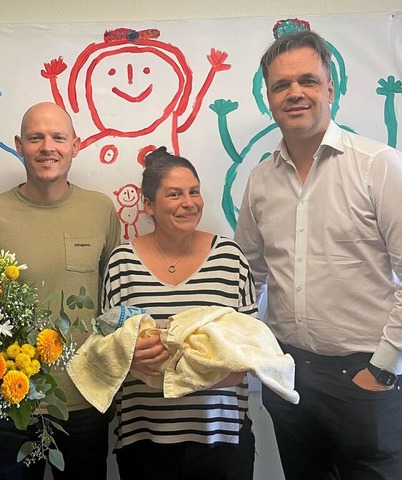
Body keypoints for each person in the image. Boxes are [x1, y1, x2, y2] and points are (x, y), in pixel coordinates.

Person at [234, 30, 402, 480]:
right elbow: (248, 275)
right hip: (289, 376)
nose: (295, 93)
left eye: (307, 80)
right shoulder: (260, 182)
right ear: (268, 98)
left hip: (368, 379)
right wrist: (253, 352)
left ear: (331, 88)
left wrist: (382, 370)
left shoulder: (382, 167)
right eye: (280, 85)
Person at [0, 101, 121, 479]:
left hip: (84, 398)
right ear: (19, 144)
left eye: (58, 137)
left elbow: (116, 301)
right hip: (8, 403)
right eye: (36, 138)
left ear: (76, 145)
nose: (48, 147)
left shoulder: (100, 210)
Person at [102, 146, 257, 480]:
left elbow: (252, 353)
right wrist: (129, 357)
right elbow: (107, 350)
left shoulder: (230, 258)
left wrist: (178, 370)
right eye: (174, 194)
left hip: (221, 441)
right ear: (148, 205)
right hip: (143, 441)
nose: (189, 203)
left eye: (194, 192)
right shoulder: (121, 263)